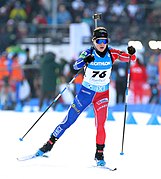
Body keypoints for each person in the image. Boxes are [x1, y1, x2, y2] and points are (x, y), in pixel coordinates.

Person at [35, 27, 136, 166]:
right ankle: (48, 144)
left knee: (101, 124)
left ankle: (99, 155)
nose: (102, 44)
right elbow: (76, 66)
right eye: (99, 40)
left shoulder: (112, 52)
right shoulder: (88, 52)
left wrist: (131, 53)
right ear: (94, 41)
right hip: (86, 93)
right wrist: (86, 60)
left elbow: (131, 58)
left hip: (102, 95)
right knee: (69, 121)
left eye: (105, 41)